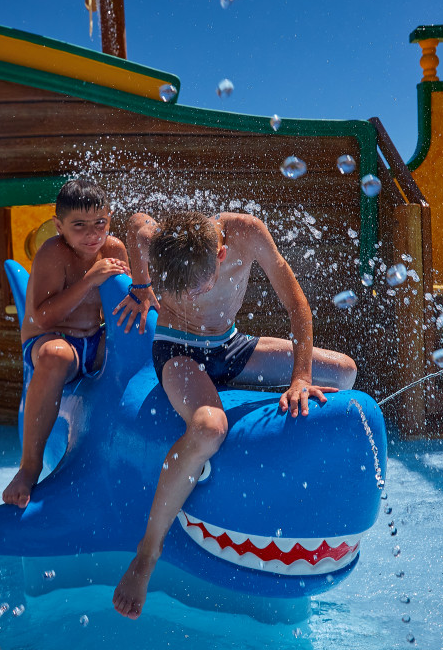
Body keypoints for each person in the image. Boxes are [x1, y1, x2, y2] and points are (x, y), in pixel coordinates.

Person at [110, 210, 357, 619]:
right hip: (179, 351)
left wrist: (300, 377)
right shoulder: (165, 243)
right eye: (181, 290)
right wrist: (141, 285)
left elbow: (295, 303)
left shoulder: (247, 233)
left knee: (344, 371)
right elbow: (138, 223)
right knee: (209, 428)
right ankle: (147, 553)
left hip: (231, 346)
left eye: (198, 286)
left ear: (222, 254)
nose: (190, 297)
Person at [2, 179, 131, 507]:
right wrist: (91, 279)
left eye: (100, 223)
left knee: (135, 339)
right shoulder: (52, 253)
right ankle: (29, 467)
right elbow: (44, 317)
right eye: (79, 226)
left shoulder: (113, 249)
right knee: (55, 356)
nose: (92, 234)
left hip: (93, 340)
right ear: (59, 226)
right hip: (52, 341)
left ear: (110, 219)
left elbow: (124, 307)